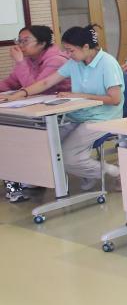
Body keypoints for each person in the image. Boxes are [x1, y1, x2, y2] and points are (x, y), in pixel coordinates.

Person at [1, 25, 123, 190]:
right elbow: (46, 82)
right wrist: (19, 94)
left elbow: (115, 99)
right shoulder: (75, 62)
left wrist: (80, 95)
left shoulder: (107, 63)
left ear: (86, 47)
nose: (68, 55)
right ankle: (87, 172)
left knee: (66, 158)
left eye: (71, 50)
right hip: (77, 115)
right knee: (44, 146)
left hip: (102, 118)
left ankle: (116, 172)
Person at [0, 25, 69, 202]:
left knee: (13, 137)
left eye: (25, 41)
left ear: (42, 43)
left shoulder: (56, 60)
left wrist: (20, 62)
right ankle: (23, 179)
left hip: (61, 116)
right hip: (37, 113)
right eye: (19, 41)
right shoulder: (30, 59)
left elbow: (35, 88)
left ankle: (21, 181)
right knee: (8, 133)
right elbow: (10, 83)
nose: (20, 45)